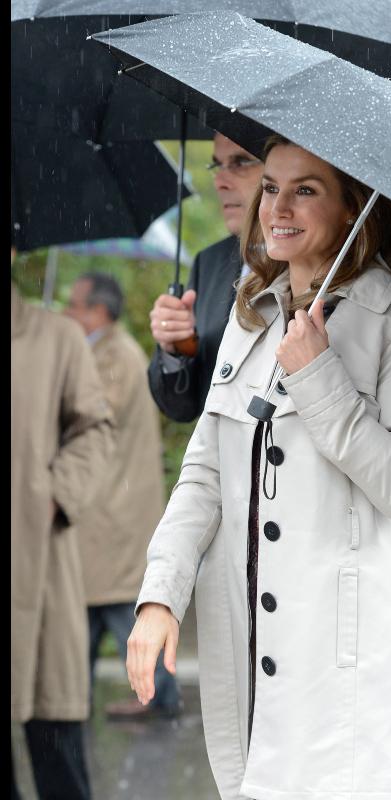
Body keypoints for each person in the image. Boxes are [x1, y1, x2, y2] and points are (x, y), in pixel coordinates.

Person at [124, 136, 391, 800]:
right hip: (248, 649)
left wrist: (321, 377)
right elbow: (204, 477)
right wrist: (160, 597)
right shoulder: (251, 315)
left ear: (350, 209)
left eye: (306, 189)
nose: (277, 205)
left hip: (347, 663)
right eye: (272, 187)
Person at [11, 275, 114, 800]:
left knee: (55, 743)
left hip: (36, 567)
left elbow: (96, 429)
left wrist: (51, 495)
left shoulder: (54, 338)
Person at [64, 273, 181, 720]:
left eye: (74, 305)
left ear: (97, 311)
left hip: (115, 510)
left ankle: (156, 697)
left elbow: (90, 414)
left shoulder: (113, 356)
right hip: (105, 510)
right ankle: (75, 702)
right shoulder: (103, 351)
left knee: (121, 608)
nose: (67, 314)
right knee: (94, 611)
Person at [148, 132, 263, 422]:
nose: (219, 181)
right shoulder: (209, 263)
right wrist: (178, 347)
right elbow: (182, 407)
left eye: (239, 162)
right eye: (217, 166)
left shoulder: (320, 268)